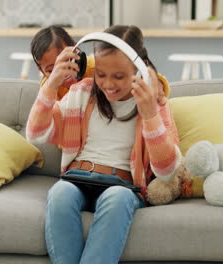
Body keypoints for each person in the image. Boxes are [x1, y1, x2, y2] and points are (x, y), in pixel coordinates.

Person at [26, 25, 182, 264]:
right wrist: (51, 84)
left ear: (139, 69)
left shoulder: (154, 103)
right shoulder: (81, 92)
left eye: (118, 76)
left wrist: (150, 116)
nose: (108, 84)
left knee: (117, 197)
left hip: (123, 187)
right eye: (101, 74)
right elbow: (36, 135)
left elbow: (167, 170)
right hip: (77, 178)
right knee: (60, 192)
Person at [30, 25, 95, 100]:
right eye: (51, 70)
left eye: (67, 62)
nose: (63, 74)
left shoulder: (96, 69)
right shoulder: (49, 86)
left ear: (76, 50)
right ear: (42, 71)